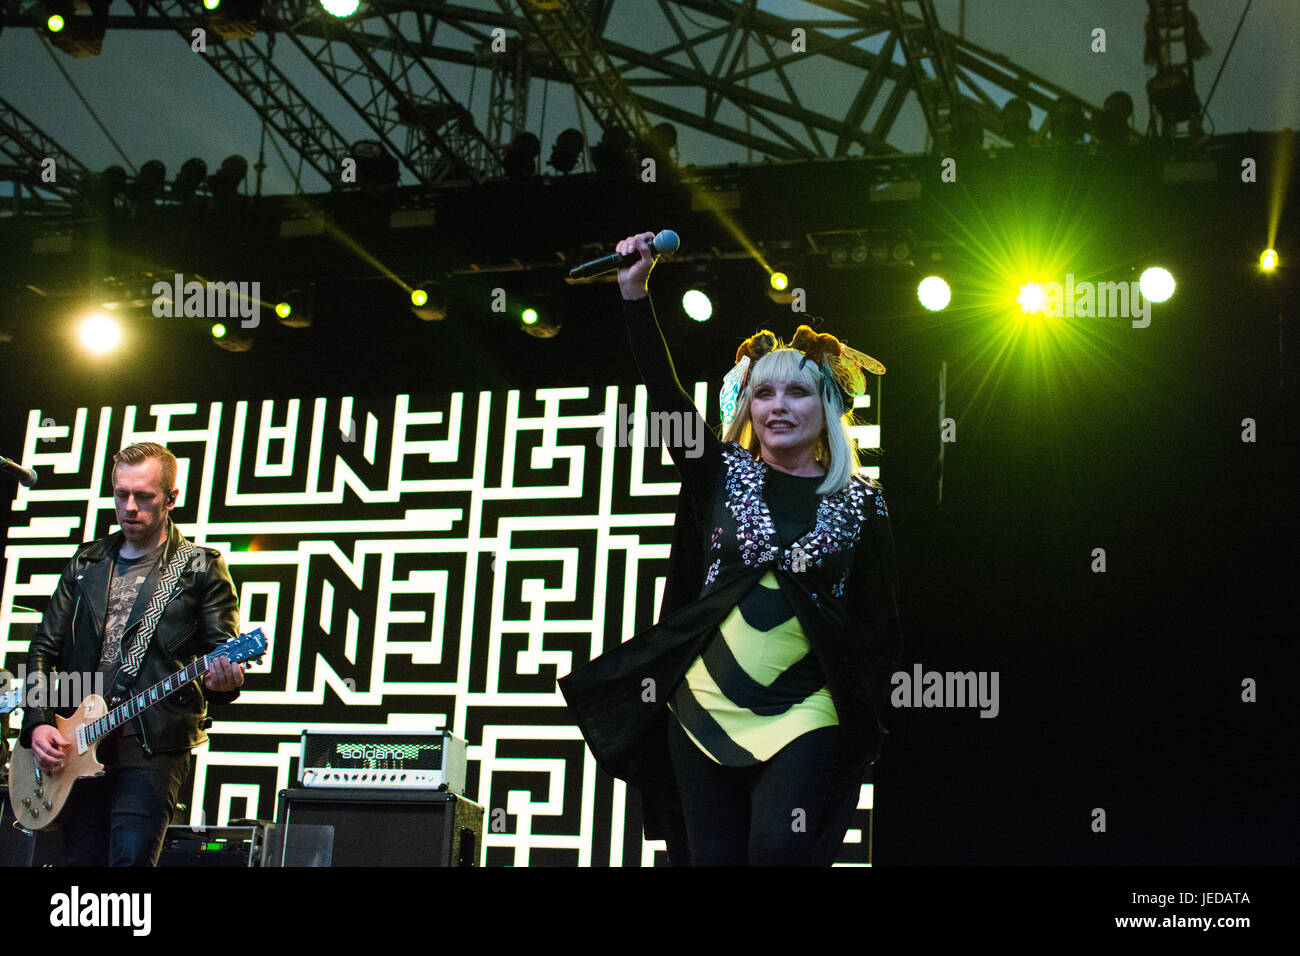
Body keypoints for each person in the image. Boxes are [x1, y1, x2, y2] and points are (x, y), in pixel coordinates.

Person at [559, 232, 904, 866]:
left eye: (797, 392)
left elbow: (880, 622)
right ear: (748, 406)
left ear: (828, 406)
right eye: (764, 394)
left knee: (778, 846)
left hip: (806, 708)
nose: (778, 407)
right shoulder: (720, 470)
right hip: (704, 705)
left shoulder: (863, 501)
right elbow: (666, 396)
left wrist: (866, 706)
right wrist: (635, 294)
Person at [20, 441, 244, 866]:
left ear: (171, 498)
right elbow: (44, 647)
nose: (129, 507)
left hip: (152, 741)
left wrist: (223, 681)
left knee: (131, 860)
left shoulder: (201, 566)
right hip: (76, 740)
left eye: (143, 496)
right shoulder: (86, 561)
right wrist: (38, 722)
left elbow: (221, 656)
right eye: (121, 494)